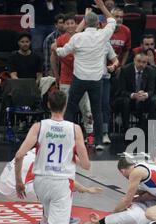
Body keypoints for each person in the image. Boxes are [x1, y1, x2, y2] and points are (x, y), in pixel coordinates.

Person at [14, 90, 91, 224]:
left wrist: (19, 182)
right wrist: (76, 153)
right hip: (61, 184)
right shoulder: (74, 129)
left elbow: (19, 155)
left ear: (48, 105)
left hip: (40, 183)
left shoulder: (39, 126)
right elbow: (86, 165)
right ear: (65, 106)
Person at [54, 0, 116, 151]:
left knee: (70, 109)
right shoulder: (103, 35)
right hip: (96, 80)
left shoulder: (77, 38)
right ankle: (99, 142)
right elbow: (112, 20)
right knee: (97, 110)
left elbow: (62, 53)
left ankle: (66, 139)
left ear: (85, 23)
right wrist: (101, 6)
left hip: (79, 79)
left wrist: (56, 48)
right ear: (97, 24)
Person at [0, 147, 102, 224]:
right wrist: (87, 189)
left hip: (5, 183)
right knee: (60, 187)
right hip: (16, 188)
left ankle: (59, 216)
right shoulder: (51, 159)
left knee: (50, 184)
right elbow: (68, 182)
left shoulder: (42, 148)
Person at [51, 12, 94, 145]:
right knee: (63, 108)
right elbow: (54, 57)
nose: (70, 25)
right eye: (67, 23)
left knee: (86, 108)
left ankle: (90, 134)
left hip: (82, 78)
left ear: (76, 24)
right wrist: (56, 75)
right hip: (65, 79)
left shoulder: (81, 38)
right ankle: (64, 134)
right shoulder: (60, 40)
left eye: (72, 23)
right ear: (63, 25)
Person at [113, 52, 156, 133]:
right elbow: (121, 90)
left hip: (144, 99)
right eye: (139, 61)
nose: (141, 64)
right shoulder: (125, 70)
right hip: (129, 98)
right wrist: (134, 95)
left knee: (155, 100)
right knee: (125, 101)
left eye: (144, 62)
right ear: (134, 60)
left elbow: (152, 90)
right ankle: (126, 130)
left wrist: (145, 95)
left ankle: (150, 130)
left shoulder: (151, 71)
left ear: (147, 62)